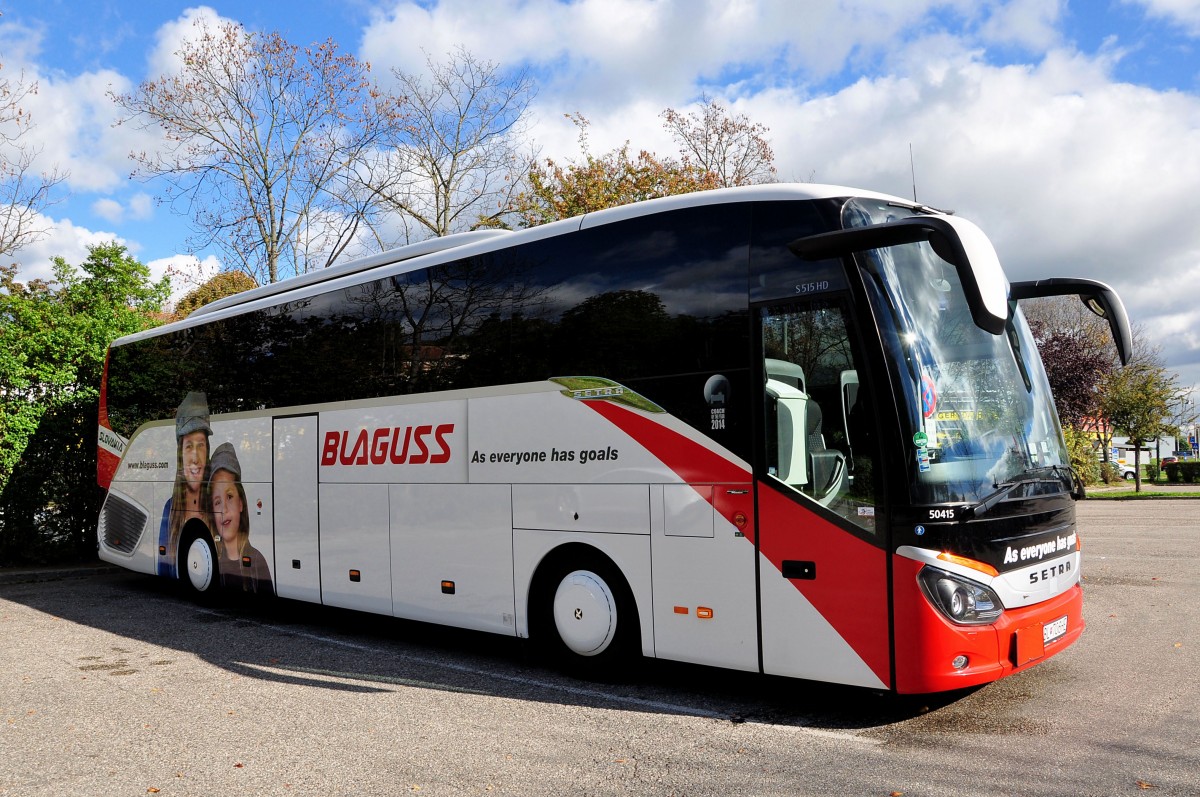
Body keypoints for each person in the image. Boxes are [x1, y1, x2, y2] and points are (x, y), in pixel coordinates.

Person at [208, 442, 273, 596]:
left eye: (229, 496)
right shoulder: (212, 562)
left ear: (241, 503)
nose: (223, 509)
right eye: (217, 502)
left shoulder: (257, 561)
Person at [158, 392, 212, 577]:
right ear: (180, 453)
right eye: (189, 446)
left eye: (201, 445)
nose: (195, 458)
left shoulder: (218, 503)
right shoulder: (170, 508)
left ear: (208, 451)